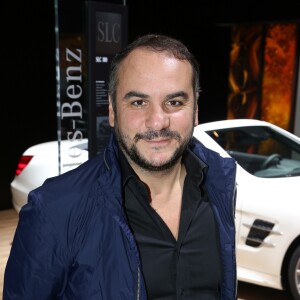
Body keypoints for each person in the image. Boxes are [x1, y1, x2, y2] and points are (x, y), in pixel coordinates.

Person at [3, 34, 237, 300]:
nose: (158, 122)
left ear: (195, 111)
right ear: (113, 111)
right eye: (138, 102)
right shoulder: (55, 210)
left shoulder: (220, 184)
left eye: (174, 102)